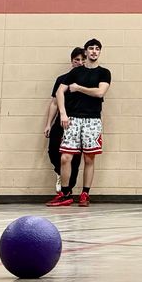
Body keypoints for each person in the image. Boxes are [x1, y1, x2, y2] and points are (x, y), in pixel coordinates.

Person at [50, 39, 111, 208]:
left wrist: (78, 88)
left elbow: (100, 92)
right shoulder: (76, 72)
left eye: (97, 49)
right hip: (73, 119)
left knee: (89, 158)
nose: (94, 51)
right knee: (65, 157)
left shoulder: (104, 72)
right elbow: (59, 92)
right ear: (86, 51)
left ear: (100, 52)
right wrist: (63, 113)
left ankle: (85, 193)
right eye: (91, 48)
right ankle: (65, 193)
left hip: (92, 120)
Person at [42, 48, 85, 205]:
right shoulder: (62, 79)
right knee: (53, 150)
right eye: (77, 60)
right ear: (72, 61)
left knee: (74, 158)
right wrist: (48, 123)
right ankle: (60, 173)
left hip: (78, 122)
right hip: (61, 121)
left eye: (83, 60)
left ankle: (67, 191)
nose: (80, 63)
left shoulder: (88, 80)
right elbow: (54, 102)